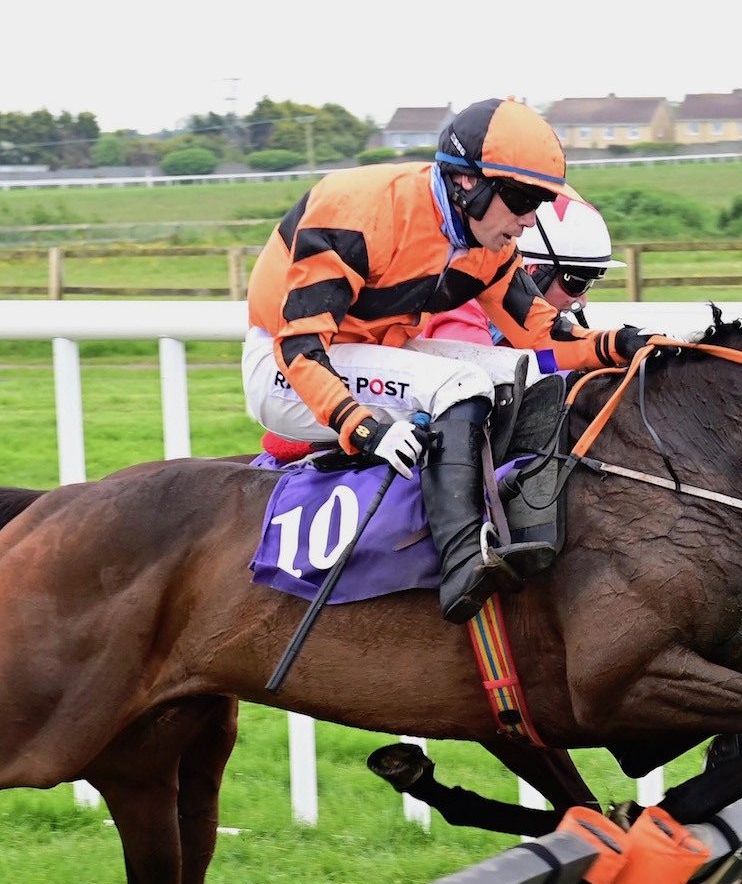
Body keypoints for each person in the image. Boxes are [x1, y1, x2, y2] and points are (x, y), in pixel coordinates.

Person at [244, 97, 656, 623]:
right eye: (522, 199)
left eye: (539, 202)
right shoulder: (357, 210)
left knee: (517, 374)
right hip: (289, 370)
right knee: (459, 383)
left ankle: (522, 523)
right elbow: (301, 347)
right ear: (467, 182)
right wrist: (364, 427)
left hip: (367, 354)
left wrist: (615, 344)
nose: (529, 221)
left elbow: (539, 332)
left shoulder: (486, 243)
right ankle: (463, 562)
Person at [423, 195, 624, 344]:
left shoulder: (522, 324)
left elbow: (549, 362)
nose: (582, 301)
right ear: (532, 271)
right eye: (577, 283)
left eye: (589, 285)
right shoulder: (462, 306)